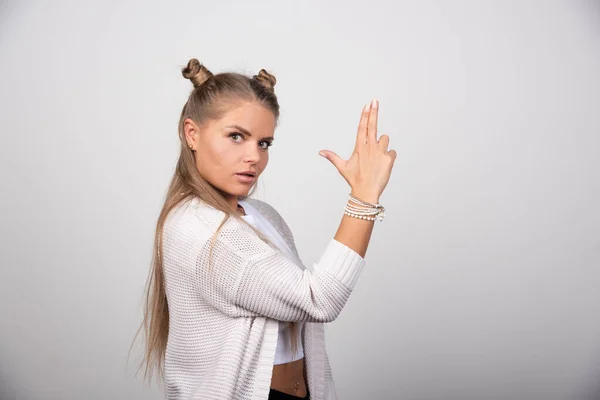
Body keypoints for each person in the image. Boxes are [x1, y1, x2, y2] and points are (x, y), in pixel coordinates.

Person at [135, 58, 397, 400]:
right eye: (236, 137)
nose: (254, 157)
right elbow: (318, 300)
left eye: (264, 143)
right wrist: (363, 198)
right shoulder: (200, 229)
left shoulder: (262, 216)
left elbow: (298, 319)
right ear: (192, 134)